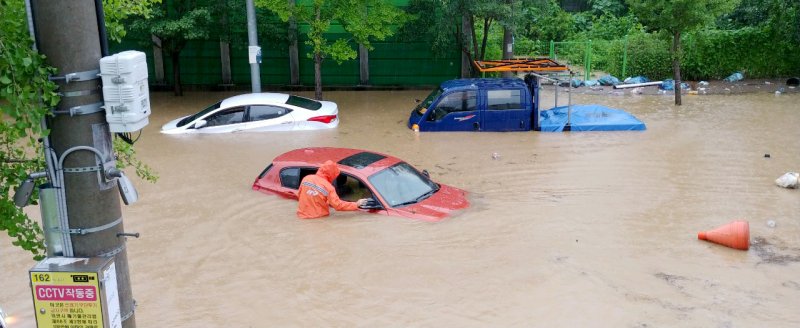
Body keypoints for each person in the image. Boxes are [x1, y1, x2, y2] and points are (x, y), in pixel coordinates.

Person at [297, 160, 369, 219]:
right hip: (319, 219)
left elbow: (299, 195)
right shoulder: (329, 187)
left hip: (302, 216)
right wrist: (356, 204)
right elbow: (338, 205)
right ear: (331, 174)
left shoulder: (306, 178)